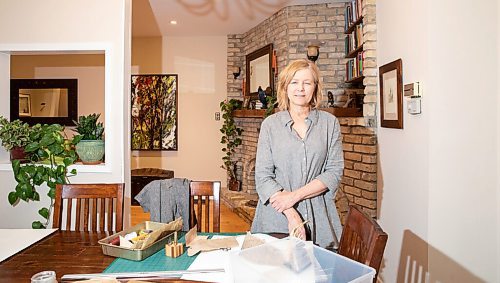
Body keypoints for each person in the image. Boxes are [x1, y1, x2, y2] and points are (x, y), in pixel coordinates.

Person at [250, 59, 344, 249]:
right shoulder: (270, 125)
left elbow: (334, 171)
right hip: (275, 217)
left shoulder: (329, 123)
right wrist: (291, 213)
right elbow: (263, 176)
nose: (300, 88)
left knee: (318, 275)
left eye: (307, 83)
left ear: (315, 87)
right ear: (285, 87)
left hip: (320, 219)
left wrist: (293, 196)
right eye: (294, 82)